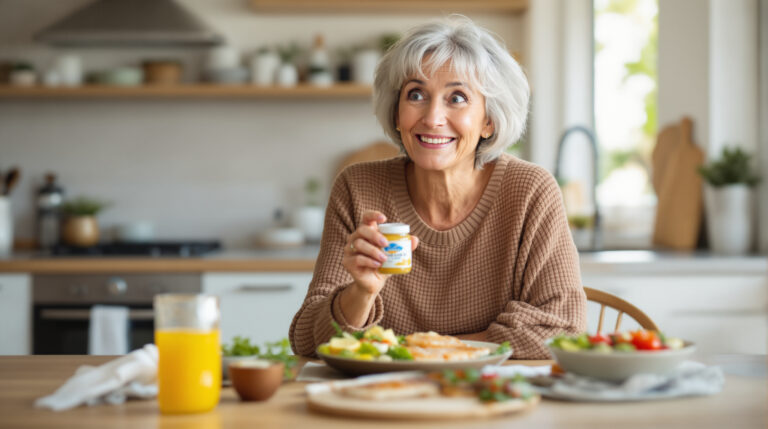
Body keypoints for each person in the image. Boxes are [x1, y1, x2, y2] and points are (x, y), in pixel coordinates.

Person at [289, 16, 586, 359]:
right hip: (386, 398)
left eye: (457, 98)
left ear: (488, 120)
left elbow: (562, 328)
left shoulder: (530, 190)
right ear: (397, 113)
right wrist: (361, 293)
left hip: (489, 396)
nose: (432, 118)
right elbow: (308, 341)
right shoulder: (358, 186)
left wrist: (427, 351)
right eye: (416, 94)